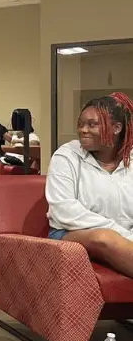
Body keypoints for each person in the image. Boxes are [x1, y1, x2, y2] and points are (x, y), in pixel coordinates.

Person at [47, 93, 133, 276]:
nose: (83, 130)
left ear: (117, 128)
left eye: (92, 124)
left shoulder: (131, 160)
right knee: (104, 238)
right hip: (70, 233)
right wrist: (121, 234)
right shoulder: (66, 155)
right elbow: (63, 210)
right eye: (80, 124)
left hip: (126, 238)